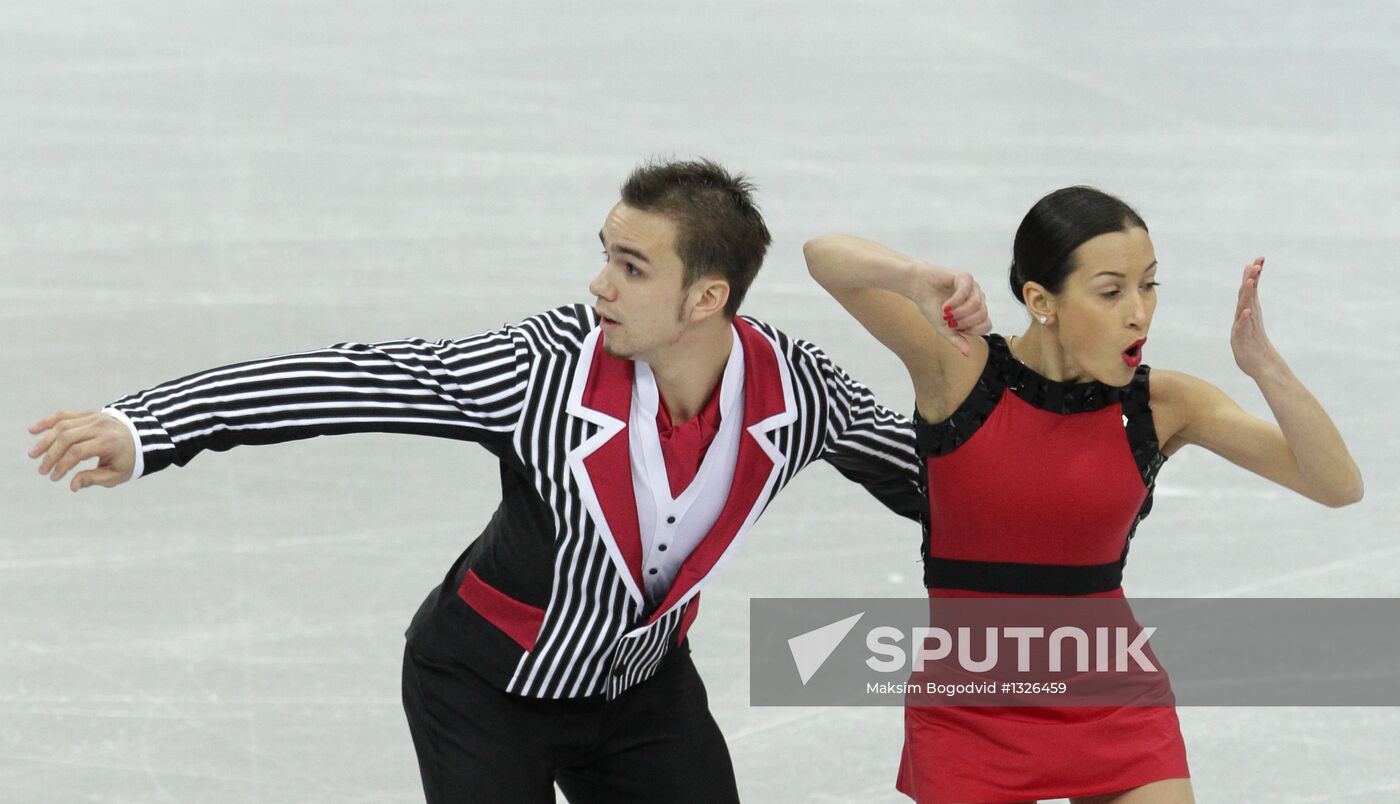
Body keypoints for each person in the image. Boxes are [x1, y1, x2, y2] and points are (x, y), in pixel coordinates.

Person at [28, 158, 991, 804]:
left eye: (631, 267)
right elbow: (354, 379)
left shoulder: (794, 392)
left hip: (644, 695)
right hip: (481, 689)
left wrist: (1057, 517)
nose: (599, 285)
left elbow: (942, 485)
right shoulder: (542, 371)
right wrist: (149, 424)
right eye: (604, 255)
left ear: (708, 297)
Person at [804, 186, 1363, 804]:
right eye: (1111, 291)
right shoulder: (959, 370)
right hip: (970, 713)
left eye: (1149, 285)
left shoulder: (1162, 406)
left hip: (1113, 702)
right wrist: (911, 276)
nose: (1139, 313)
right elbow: (823, 256)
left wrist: (1264, 366)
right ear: (1041, 301)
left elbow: (1336, 485)